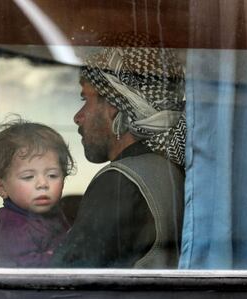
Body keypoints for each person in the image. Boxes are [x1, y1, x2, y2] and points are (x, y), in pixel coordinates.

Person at [51, 33, 186, 268]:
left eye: (85, 99)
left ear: (114, 106)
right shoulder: (171, 170)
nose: (77, 117)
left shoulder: (121, 182)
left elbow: (66, 282)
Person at [0, 118, 75, 267]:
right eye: (28, 177)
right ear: (1, 187)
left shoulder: (53, 214)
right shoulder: (11, 225)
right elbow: (28, 272)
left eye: (52, 175)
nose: (43, 184)